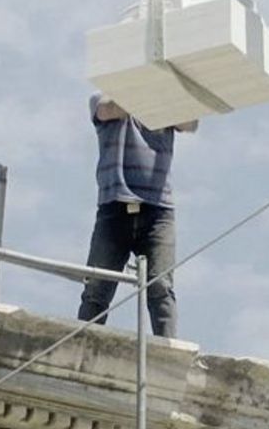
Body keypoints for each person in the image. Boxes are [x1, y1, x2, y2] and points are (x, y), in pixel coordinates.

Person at [77, 91, 196, 337]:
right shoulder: (102, 99)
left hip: (157, 212)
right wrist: (146, 89)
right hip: (115, 209)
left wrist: (163, 98)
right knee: (96, 289)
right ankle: (82, 346)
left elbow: (191, 122)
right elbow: (109, 110)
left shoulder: (164, 107)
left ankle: (167, 354)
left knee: (161, 288)